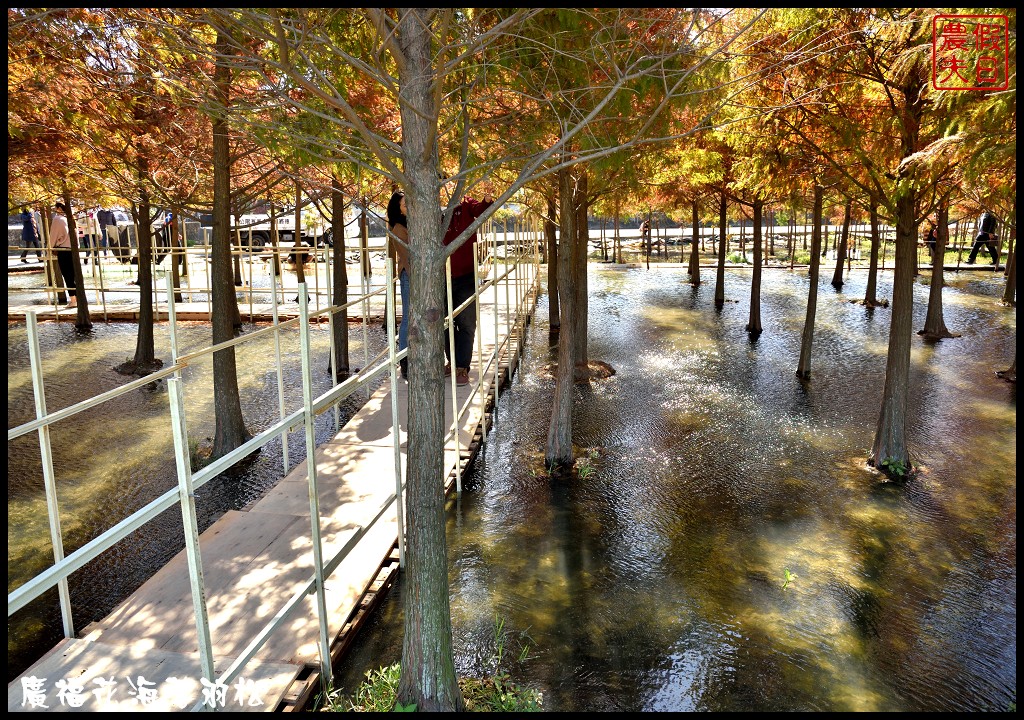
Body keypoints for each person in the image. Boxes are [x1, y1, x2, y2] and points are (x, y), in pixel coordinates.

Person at [442, 192, 495, 386]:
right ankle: (452, 362)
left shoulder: (465, 204)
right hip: (440, 277)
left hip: (466, 275)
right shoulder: (430, 210)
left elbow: (481, 209)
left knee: (466, 322)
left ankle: (463, 367)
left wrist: (487, 201)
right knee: (445, 323)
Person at [386, 191, 411, 379]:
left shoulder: (409, 223)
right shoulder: (398, 229)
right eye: (404, 205)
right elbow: (407, 257)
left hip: (414, 276)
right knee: (408, 318)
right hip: (409, 276)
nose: (408, 207)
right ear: (398, 208)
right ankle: (404, 360)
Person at [49, 201, 77, 307]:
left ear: (59, 208)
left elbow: (53, 235)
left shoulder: (58, 219)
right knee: (74, 275)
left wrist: (50, 247)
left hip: (63, 250)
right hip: (72, 249)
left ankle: (73, 300)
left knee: (67, 275)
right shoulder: (71, 218)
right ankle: (77, 299)